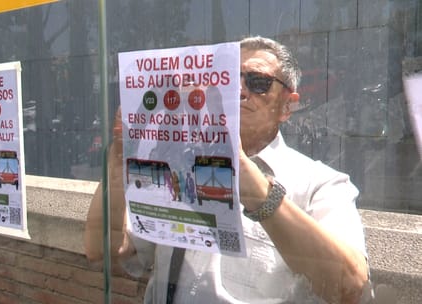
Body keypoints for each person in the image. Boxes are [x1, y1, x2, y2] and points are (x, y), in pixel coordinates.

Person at [84, 36, 370, 303]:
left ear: (287, 106)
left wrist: (250, 180)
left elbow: (351, 285)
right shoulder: (178, 163)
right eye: (227, 79)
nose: (239, 90)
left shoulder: (319, 183)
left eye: (258, 82)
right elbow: (104, 252)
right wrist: (119, 160)